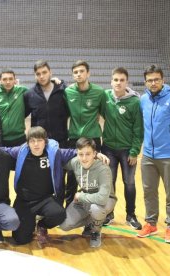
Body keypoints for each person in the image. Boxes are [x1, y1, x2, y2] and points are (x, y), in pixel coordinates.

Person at [137, 65, 170, 244]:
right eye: (150, 80)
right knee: (149, 191)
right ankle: (151, 223)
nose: (153, 83)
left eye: (156, 79)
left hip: (169, 156)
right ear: (145, 82)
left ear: (163, 80)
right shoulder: (143, 99)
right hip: (148, 156)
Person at [0, 126, 77, 245]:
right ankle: (30, 223)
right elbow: (2, 150)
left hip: (45, 199)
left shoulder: (54, 152)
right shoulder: (21, 151)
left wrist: (96, 154)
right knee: (21, 239)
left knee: (59, 214)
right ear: (28, 143)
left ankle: (41, 225)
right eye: (32, 141)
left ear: (45, 142)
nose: (36, 144)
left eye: (39, 140)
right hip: (24, 201)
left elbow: (76, 152)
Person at [100, 67, 143, 229]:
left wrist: (134, 151)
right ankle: (109, 213)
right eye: (115, 80)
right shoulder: (105, 97)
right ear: (111, 81)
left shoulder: (134, 102)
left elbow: (139, 129)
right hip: (108, 148)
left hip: (127, 151)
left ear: (127, 82)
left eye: (121, 80)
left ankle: (130, 215)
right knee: (109, 183)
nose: (118, 83)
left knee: (129, 182)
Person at [60, 137, 116, 248]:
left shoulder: (103, 169)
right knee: (64, 226)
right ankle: (91, 222)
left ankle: (95, 231)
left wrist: (81, 196)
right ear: (77, 153)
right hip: (84, 199)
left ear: (95, 153)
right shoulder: (75, 162)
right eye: (81, 154)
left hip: (105, 200)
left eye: (88, 154)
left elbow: (102, 198)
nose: (84, 158)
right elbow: (59, 163)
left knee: (96, 209)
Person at [64, 60, 106, 207]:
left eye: (81, 71)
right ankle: (69, 205)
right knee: (72, 174)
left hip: (93, 137)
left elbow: (105, 113)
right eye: (75, 72)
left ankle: (93, 206)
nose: (78, 74)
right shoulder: (68, 92)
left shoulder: (99, 92)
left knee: (93, 174)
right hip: (74, 138)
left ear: (88, 73)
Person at [24, 60, 69, 148]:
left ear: (50, 73)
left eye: (44, 72)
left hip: (61, 141)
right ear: (35, 76)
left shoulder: (62, 91)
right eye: (38, 74)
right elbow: (23, 115)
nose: (41, 76)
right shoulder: (29, 94)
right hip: (39, 142)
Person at [0, 68, 29, 146]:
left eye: (10, 79)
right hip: (1, 139)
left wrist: (52, 81)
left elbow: (38, 91)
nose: (8, 82)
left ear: (15, 80)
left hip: (20, 138)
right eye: (4, 79)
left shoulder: (22, 90)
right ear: (0, 80)